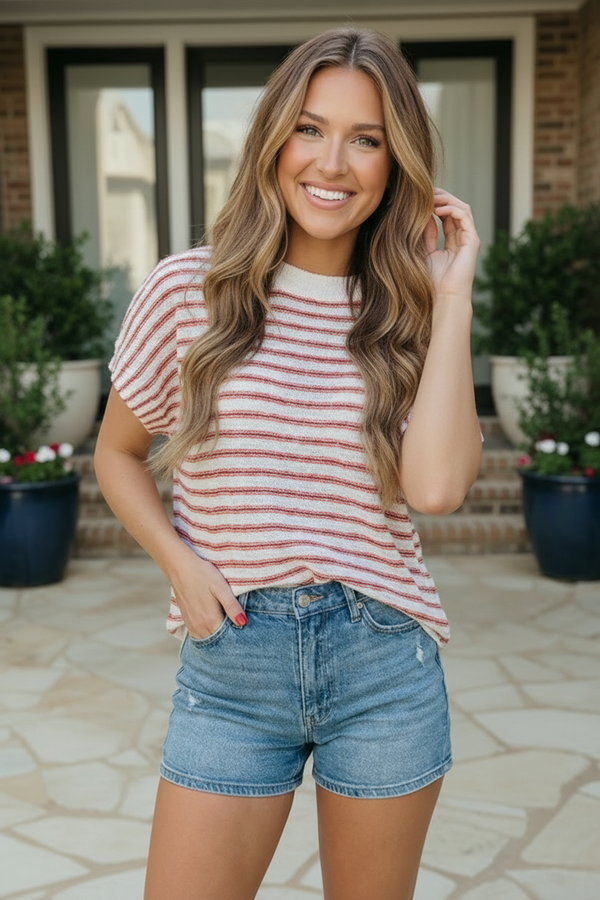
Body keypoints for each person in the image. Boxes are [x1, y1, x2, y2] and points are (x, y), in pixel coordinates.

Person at [95, 27, 482, 900]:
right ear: (274, 139)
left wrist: (452, 296)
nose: (332, 163)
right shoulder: (187, 290)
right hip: (233, 667)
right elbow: (116, 454)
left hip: (382, 666)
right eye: (310, 129)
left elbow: (435, 489)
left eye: (365, 139)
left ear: (394, 164)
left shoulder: (410, 316)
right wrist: (180, 564)